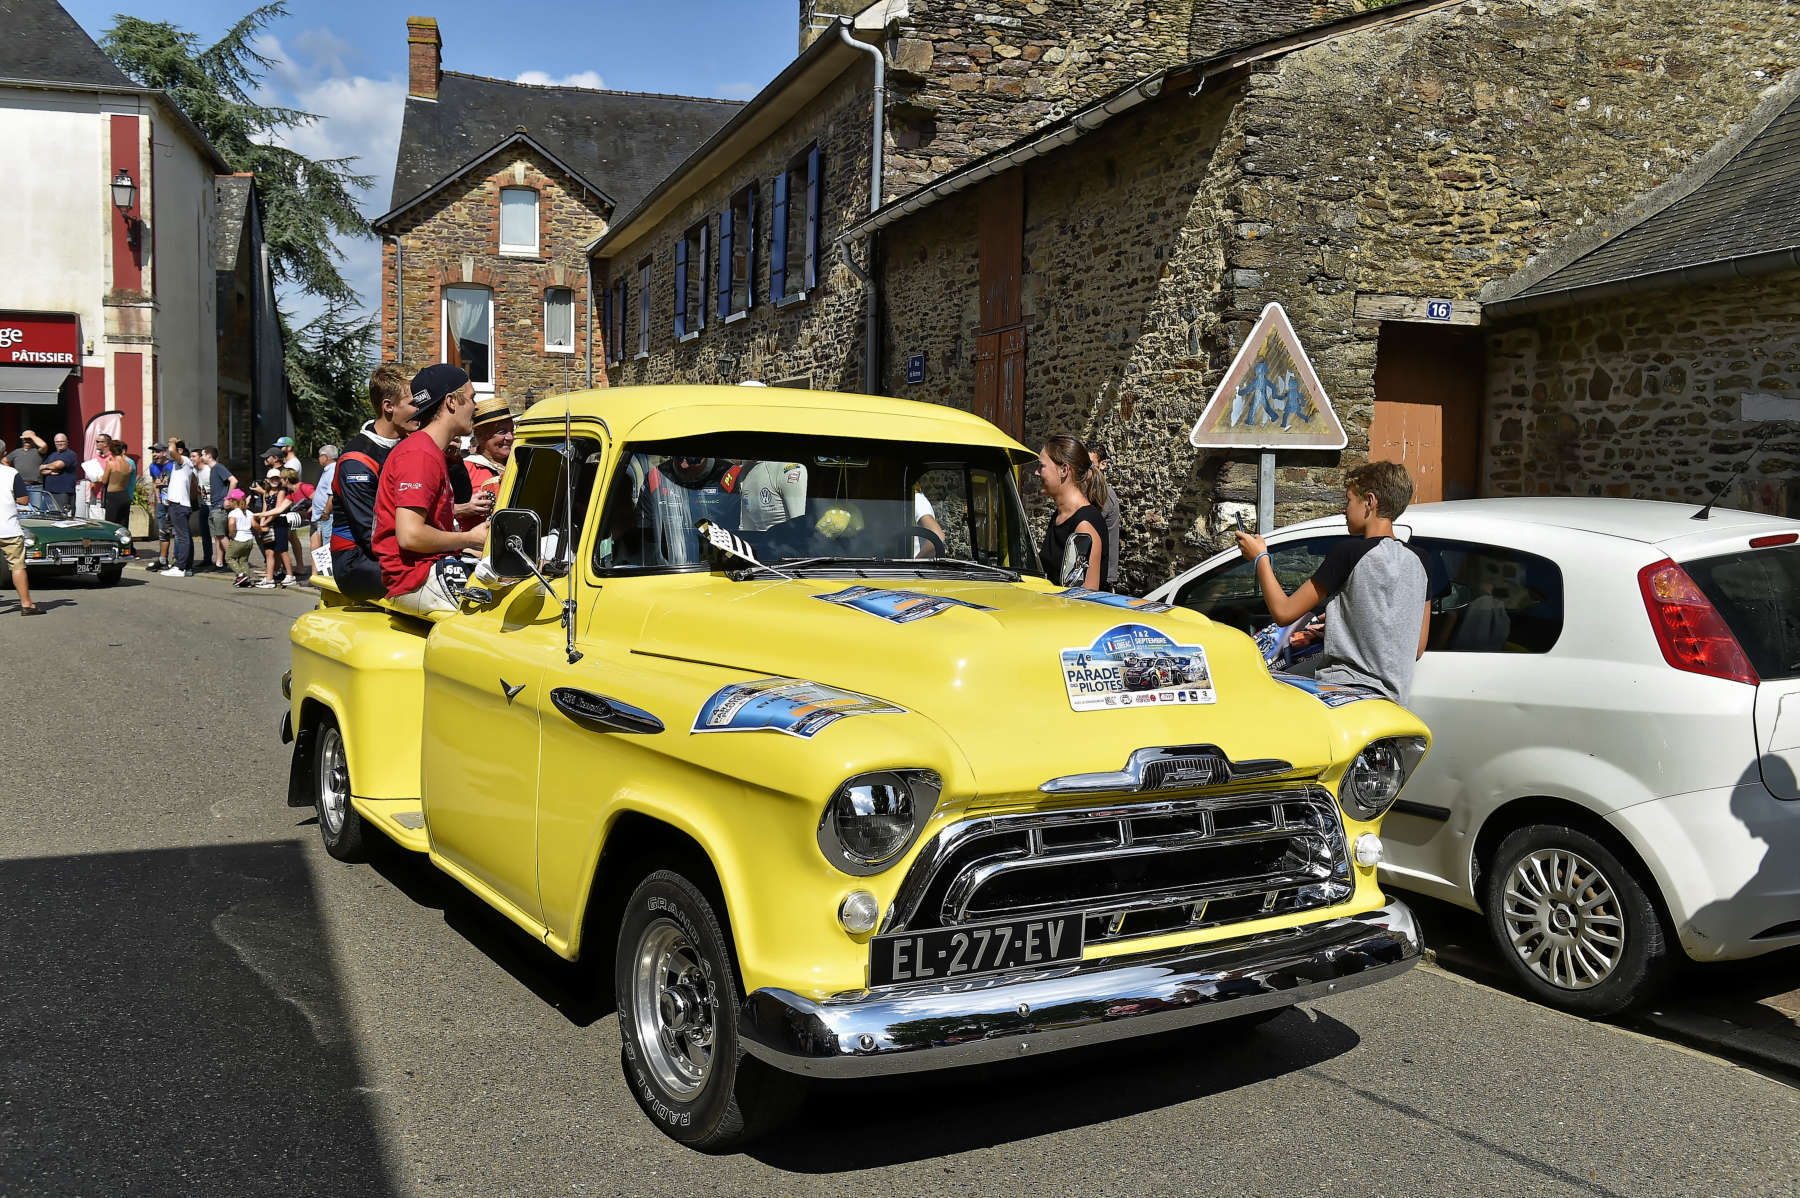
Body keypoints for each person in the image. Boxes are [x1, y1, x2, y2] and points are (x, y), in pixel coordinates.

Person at [1233, 460, 1431, 704]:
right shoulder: (1422, 561)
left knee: (1261, 689)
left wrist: (1260, 557)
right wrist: (1343, 627)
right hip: (1392, 701)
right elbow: (1417, 647)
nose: (1345, 510)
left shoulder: (1349, 552)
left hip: (1343, 693)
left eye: (1349, 501)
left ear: (1370, 502)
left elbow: (1284, 613)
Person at [372, 363, 489, 616]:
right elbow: (410, 536)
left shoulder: (427, 451)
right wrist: (471, 538)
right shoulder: (419, 454)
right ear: (451, 402)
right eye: (471, 398)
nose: (475, 406)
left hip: (424, 574)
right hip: (416, 581)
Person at [332, 363, 422, 599]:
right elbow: (372, 534)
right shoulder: (357, 461)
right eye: (414, 403)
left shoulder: (409, 445)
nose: (421, 409)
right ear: (388, 406)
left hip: (397, 551)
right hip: (356, 563)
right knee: (436, 581)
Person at [1034, 434, 1109, 591]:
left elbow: (1084, 596)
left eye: (1042, 466)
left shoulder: (1084, 525)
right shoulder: (1060, 516)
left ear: (1064, 470)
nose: (1036, 472)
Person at [0, 439, 42, 615]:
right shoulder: (11, 473)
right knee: (17, 566)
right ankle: (26, 604)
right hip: (8, 527)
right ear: (3, 454)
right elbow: (23, 500)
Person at [158, 439, 198, 577]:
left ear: (180, 451)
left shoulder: (185, 461)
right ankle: (187, 567)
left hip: (179, 504)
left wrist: (172, 441)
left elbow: (172, 451)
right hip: (178, 504)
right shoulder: (177, 464)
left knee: (182, 537)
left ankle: (180, 567)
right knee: (185, 535)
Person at [251, 471, 294, 588]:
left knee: (282, 550)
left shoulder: (281, 492)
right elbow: (265, 509)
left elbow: (277, 510)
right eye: (272, 479)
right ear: (267, 479)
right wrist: (261, 525)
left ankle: (290, 575)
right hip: (268, 524)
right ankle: (269, 578)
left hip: (279, 522)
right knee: (269, 551)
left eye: (277, 478)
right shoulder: (266, 493)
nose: (275, 481)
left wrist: (264, 522)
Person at [463, 399, 513, 499]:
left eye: (512, 430)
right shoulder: (465, 470)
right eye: (502, 432)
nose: (510, 437)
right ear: (480, 435)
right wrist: (460, 509)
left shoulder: (520, 463)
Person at [1089, 440, 1122, 590]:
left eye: (1089, 465)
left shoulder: (1104, 496)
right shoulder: (1087, 491)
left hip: (1100, 576)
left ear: (1103, 464)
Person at [199, 447, 237, 567]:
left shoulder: (218, 467)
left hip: (219, 506)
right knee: (218, 535)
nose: (201, 457)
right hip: (215, 506)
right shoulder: (212, 469)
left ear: (209, 456)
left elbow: (234, 481)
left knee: (221, 534)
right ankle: (220, 561)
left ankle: (235, 561)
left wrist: (227, 498)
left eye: (203, 455)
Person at [39, 432, 80, 516]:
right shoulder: (52, 455)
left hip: (63, 493)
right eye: (57, 442)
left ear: (67, 442)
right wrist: (50, 471)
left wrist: (46, 466)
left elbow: (58, 465)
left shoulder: (70, 454)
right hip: (49, 492)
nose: (59, 444)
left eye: (62, 441)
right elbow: (41, 469)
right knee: (48, 517)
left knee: (63, 517)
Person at [311, 444, 338, 568]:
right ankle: (324, 574)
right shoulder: (328, 470)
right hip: (322, 515)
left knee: (327, 545)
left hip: (327, 516)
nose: (318, 459)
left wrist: (326, 512)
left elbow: (332, 494)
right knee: (323, 545)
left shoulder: (332, 470)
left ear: (325, 457)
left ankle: (328, 576)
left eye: (319, 456)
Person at [146, 443, 172, 569]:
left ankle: (179, 560)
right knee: (163, 531)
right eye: (153, 452)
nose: (154, 454)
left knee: (178, 533)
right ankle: (163, 560)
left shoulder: (173, 466)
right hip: (162, 502)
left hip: (175, 503)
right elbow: (155, 482)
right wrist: (158, 498)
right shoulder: (153, 466)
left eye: (157, 451)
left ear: (164, 453)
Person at [223, 488, 256, 586]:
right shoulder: (249, 512)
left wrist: (231, 534)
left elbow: (232, 524)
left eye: (230, 500)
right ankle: (247, 580)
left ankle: (241, 575)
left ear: (234, 501)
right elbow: (254, 524)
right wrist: (261, 530)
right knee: (243, 560)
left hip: (238, 539)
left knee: (229, 557)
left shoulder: (233, 513)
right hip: (249, 540)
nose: (228, 502)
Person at [99, 437, 133, 527]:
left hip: (113, 496)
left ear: (111, 451)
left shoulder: (111, 463)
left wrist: (99, 478)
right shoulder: (129, 465)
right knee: (124, 525)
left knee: (111, 525)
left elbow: (104, 481)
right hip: (125, 495)